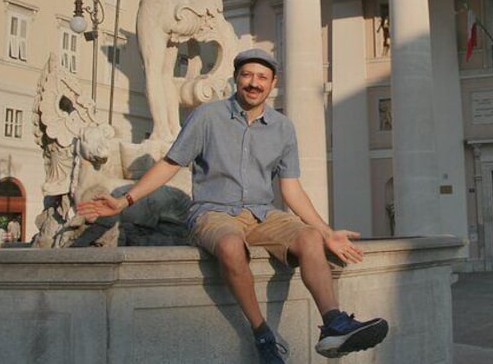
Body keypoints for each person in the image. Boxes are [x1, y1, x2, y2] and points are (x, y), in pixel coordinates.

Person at [78, 48, 388, 363]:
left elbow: (291, 189)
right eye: (247, 75)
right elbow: (170, 163)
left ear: (272, 83)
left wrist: (326, 231)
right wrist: (124, 200)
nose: (254, 83)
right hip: (212, 212)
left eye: (262, 77)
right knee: (229, 245)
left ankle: (333, 324)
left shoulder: (283, 128)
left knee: (309, 237)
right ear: (236, 78)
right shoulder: (207, 116)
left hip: (262, 214)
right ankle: (263, 335)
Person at [116, 0, 208, 142]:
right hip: (176, 8)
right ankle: (174, 129)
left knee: (153, 72)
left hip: (155, 4)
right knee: (167, 74)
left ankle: (160, 130)